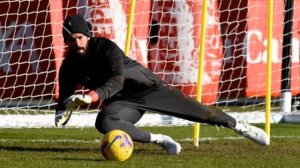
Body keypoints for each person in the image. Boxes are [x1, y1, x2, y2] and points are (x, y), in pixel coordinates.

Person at [55, 14, 269, 155]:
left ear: (88, 35)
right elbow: (64, 94)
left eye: (80, 37)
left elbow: (116, 80)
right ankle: (160, 139)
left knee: (203, 114)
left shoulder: (105, 47)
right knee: (104, 122)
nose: (76, 43)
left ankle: (239, 126)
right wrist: (62, 110)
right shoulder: (69, 65)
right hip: (125, 103)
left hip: (150, 90)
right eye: (71, 40)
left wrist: (92, 96)